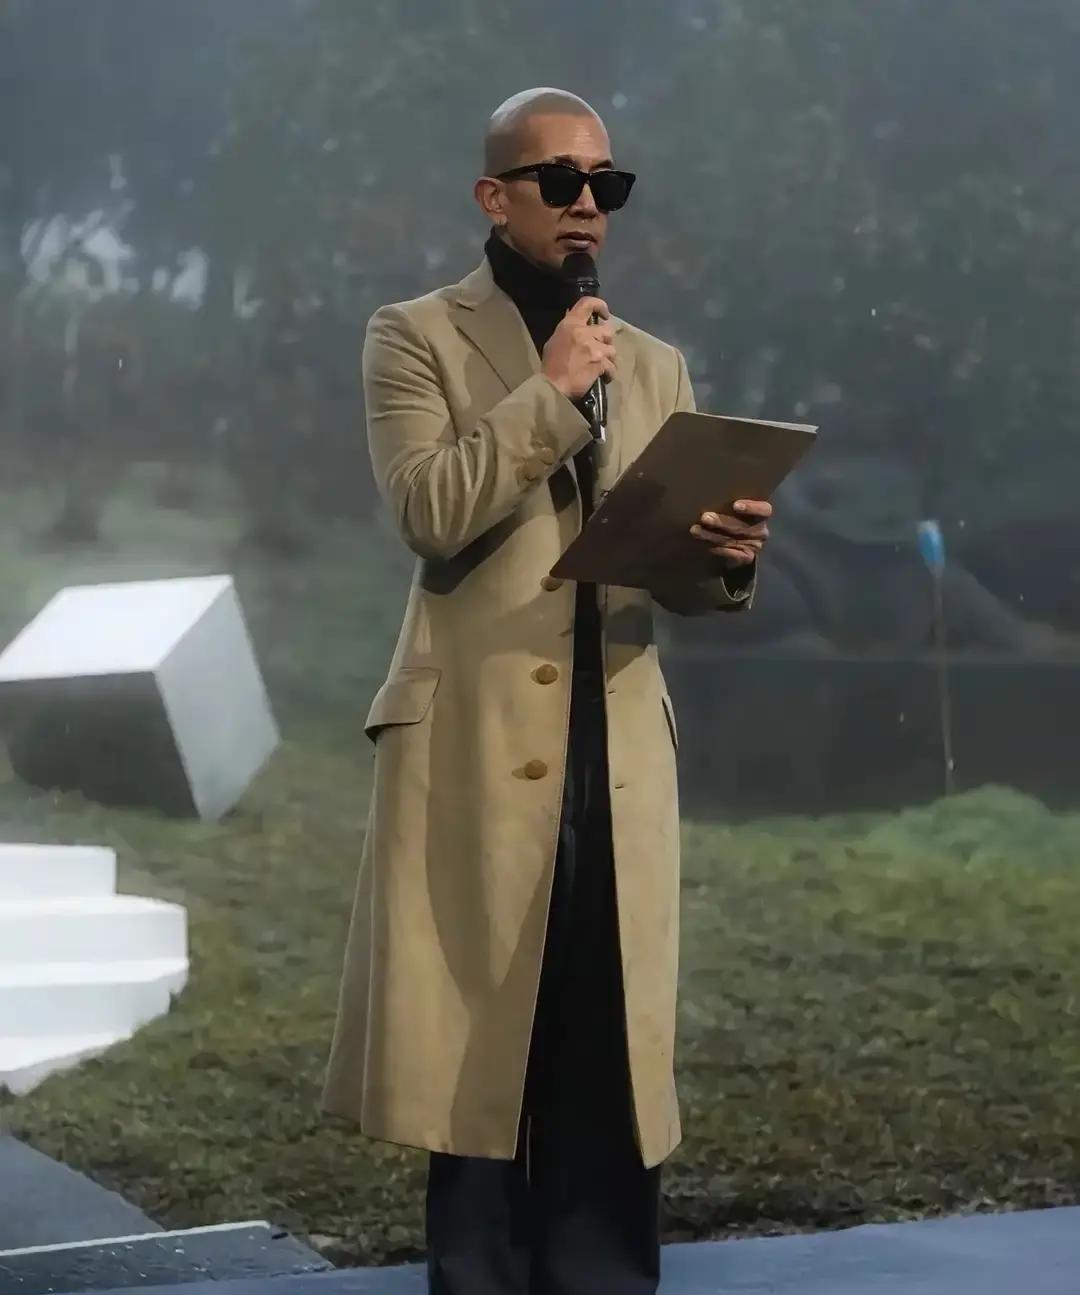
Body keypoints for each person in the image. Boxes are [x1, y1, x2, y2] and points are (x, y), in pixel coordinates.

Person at [323, 88, 773, 1294]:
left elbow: (678, 575)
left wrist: (725, 555)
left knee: (605, 1030)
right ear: (496, 196)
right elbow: (430, 510)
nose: (586, 206)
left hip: (614, 739)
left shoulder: (656, 364)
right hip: (474, 738)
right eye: (560, 181)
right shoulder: (414, 334)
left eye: (605, 186)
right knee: (482, 1031)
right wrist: (551, 393)